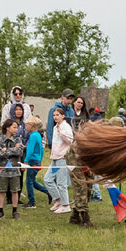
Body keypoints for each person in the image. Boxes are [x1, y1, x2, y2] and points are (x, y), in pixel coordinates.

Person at [67, 97, 93, 226]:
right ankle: (84, 218)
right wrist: (86, 168)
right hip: (74, 158)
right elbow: (79, 154)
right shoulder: (83, 140)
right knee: (81, 186)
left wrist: (91, 168)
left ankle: (75, 215)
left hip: (85, 160)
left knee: (89, 187)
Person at [0, 118, 24, 220]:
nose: (17, 129)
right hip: (3, 170)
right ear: (7, 128)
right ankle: (0, 211)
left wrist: (7, 150)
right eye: (14, 127)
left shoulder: (18, 139)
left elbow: (19, 152)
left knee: (15, 191)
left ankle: (15, 211)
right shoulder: (0, 139)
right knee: (1, 191)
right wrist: (13, 149)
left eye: (17, 127)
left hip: (15, 169)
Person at [45, 107, 73, 214]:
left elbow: (70, 139)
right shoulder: (55, 127)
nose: (55, 117)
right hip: (55, 159)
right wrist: (52, 156)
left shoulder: (65, 126)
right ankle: (58, 200)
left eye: (57, 115)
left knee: (61, 183)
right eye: (54, 115)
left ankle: (66, 205)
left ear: (63, 116)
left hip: (62, 158)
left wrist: (61, 132)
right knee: (48, 179)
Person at [23, 116, 49, 208]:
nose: (25, 127)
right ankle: (49, 193)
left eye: (27, 125)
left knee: (28, 182)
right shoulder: (38, 135)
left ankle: (32, 202)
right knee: (32, 181)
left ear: (32, 126)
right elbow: (41, 150)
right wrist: (40, 160)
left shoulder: (33, 136)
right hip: (37, 160)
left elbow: (30, 150)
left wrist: (25, 161)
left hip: (32, 160)